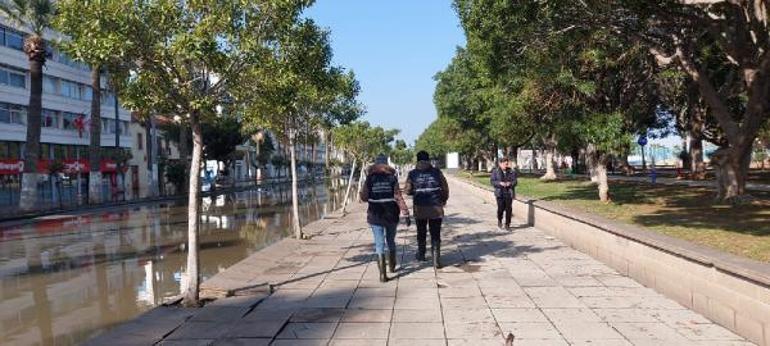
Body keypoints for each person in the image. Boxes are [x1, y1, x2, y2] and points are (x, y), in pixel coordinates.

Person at [360, 154, 410, 282]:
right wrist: (406, 212)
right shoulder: (392, 177)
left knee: (379, 243)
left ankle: (382, 275)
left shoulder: (370, 178)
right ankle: (392, 266)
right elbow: (398, 196)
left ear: (375, 164)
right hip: (391, 214)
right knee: (391, 240)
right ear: (386, 164)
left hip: (375, 214)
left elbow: (364, 197)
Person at [406, 151, 449, 269]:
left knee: (421, 232)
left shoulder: (412, 174)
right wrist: (444, 199)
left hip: (420, 208)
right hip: (435, 207)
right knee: (435, 233)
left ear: (417, 160)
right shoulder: (437, 172)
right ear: (428, 160)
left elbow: (408, 190)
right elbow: (445, 187)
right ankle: (436, 259)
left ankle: (421, 254)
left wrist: (415, 190)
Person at [490, 158, 517, 230]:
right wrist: (499, 183)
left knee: (509, 209)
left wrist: (510, 183)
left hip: (509, 193)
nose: (506, 165)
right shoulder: (495, 171)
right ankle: (499, 220)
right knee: (500, 209)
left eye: (507, 164)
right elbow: (492, 181)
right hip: (500, 193)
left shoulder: (512, 171)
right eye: (505, 164)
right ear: (500, 164)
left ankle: (507, 224)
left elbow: (515, 181)